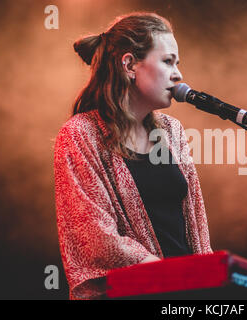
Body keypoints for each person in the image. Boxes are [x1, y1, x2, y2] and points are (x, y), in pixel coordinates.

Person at [54, 12, 212, 300]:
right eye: (168, 61)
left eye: (177, 63)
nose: (178, 74)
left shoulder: (172, 130)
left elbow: (197, 228)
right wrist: (170, 278)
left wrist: (209, 283)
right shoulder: (79, 134)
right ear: (129, 64)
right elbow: (96, 238)